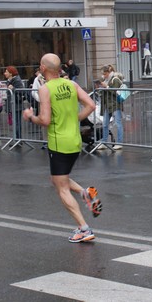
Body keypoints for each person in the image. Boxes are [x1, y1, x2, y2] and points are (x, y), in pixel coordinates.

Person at [22, 53, 101, 243]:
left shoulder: (45, 89)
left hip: (59, 142)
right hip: (74, 139)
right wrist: (75, 119)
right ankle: (86, 193)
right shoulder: (71, 84)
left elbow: (45, 120)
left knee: (62, 188)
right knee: (57, 179)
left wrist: (29, 116)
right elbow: (90, 105)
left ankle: (84, 228)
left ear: (43, 69)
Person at [96, 65, 124, 150]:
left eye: (104, 74)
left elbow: (116, 92)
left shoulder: (115, 79)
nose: (103, 76)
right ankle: (104, 142)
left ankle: (119, 143)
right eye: (102, 74)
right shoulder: (106, 80)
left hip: (115, 105)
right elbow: (105, 92)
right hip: (107, 105)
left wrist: (106, 87)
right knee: (105, 124)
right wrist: (100, 89)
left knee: (118, 123)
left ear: (108, 72)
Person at [4, 66, 25, 139]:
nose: (5, 73)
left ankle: (18, 139)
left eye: (6, 71)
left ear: (10, 73)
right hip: (12, 104)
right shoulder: (9, 80)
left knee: (17, 122)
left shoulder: (17, 80)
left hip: (16, 105)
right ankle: (16, 138)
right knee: (14, 122)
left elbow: (21, 92)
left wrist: (13, 89)